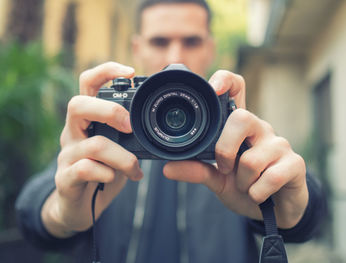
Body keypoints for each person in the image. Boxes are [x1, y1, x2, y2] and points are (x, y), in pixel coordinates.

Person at [16, 0, 326, 262]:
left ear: (210, 48)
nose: (175, 57)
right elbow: (32, 208)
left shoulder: (236, 126)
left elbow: (311, 208)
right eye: (159, 41)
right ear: (137, 48)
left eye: (191, 41)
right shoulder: (111, 124)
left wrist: (290, 208)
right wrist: (61, 212)